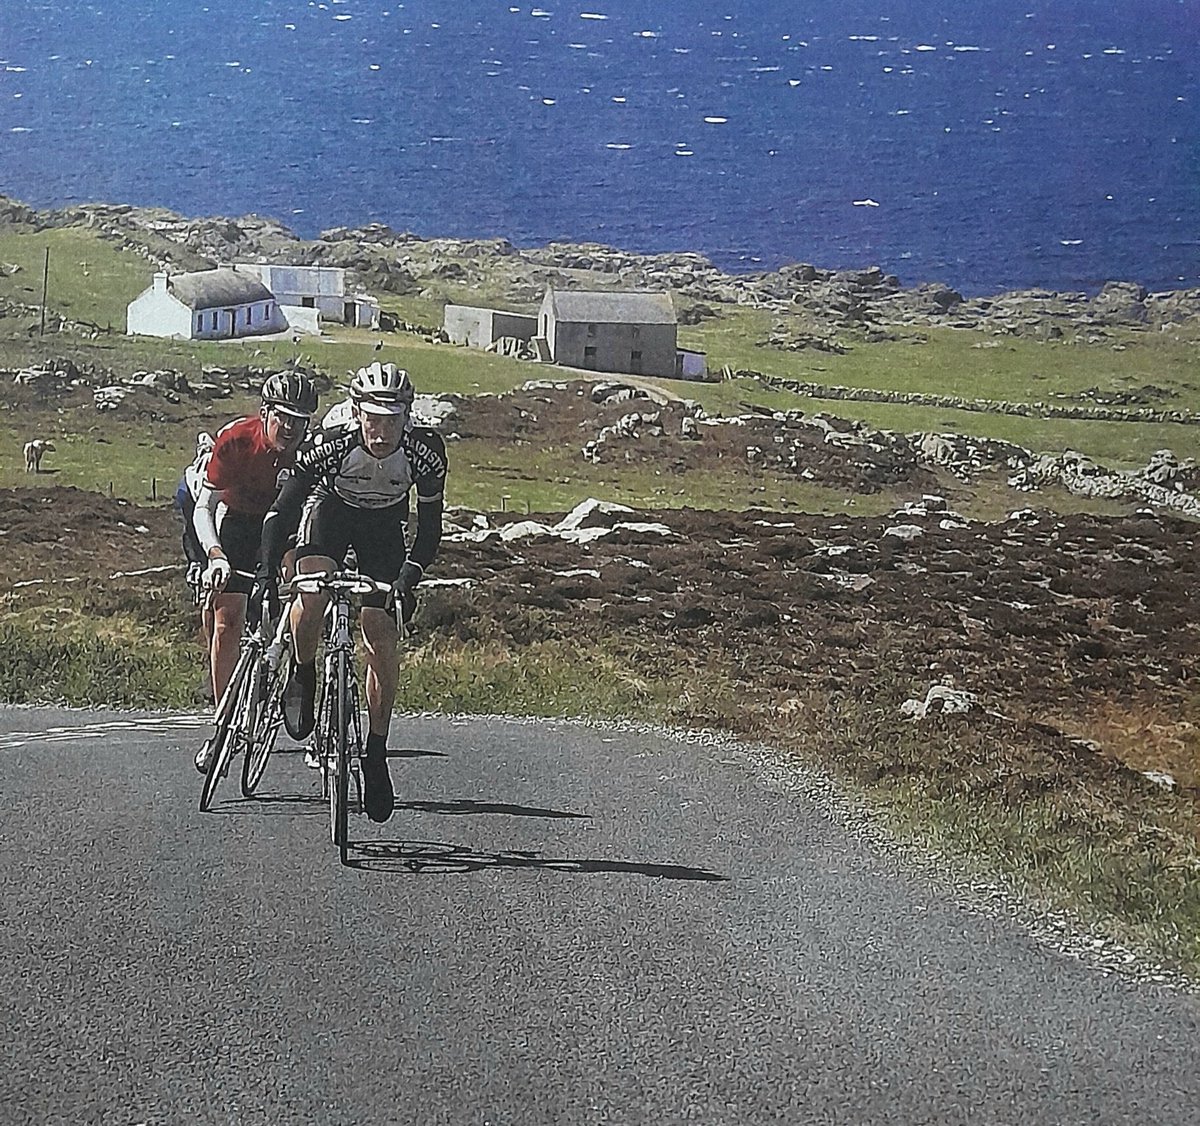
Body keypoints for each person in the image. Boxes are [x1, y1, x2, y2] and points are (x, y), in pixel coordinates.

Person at [252, 361, 447, 823]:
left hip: (384, 523)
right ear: (356, 413)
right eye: (372, 419)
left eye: (392, 421)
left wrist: (408, 578)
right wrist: (266, 575)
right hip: (331, 510)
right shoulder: (331, 440)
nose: (382, 432)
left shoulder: (426, 450)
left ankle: (376, 750)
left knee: (380, 631)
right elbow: (282, 511)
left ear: (408, 417)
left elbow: (429, 527)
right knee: (312, 592)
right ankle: (303, 672)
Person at [192, 371, 319, 771]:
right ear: (265, 413)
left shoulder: (312, 451)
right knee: (226, 618)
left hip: (286, 529)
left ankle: (289, 668)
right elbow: (205, 506)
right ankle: (224, 725)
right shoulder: (237, 440)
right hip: (240, 523)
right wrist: (215, 556)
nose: (291, 428)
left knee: (306, 597)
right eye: (283, 417)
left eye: (300, 420)